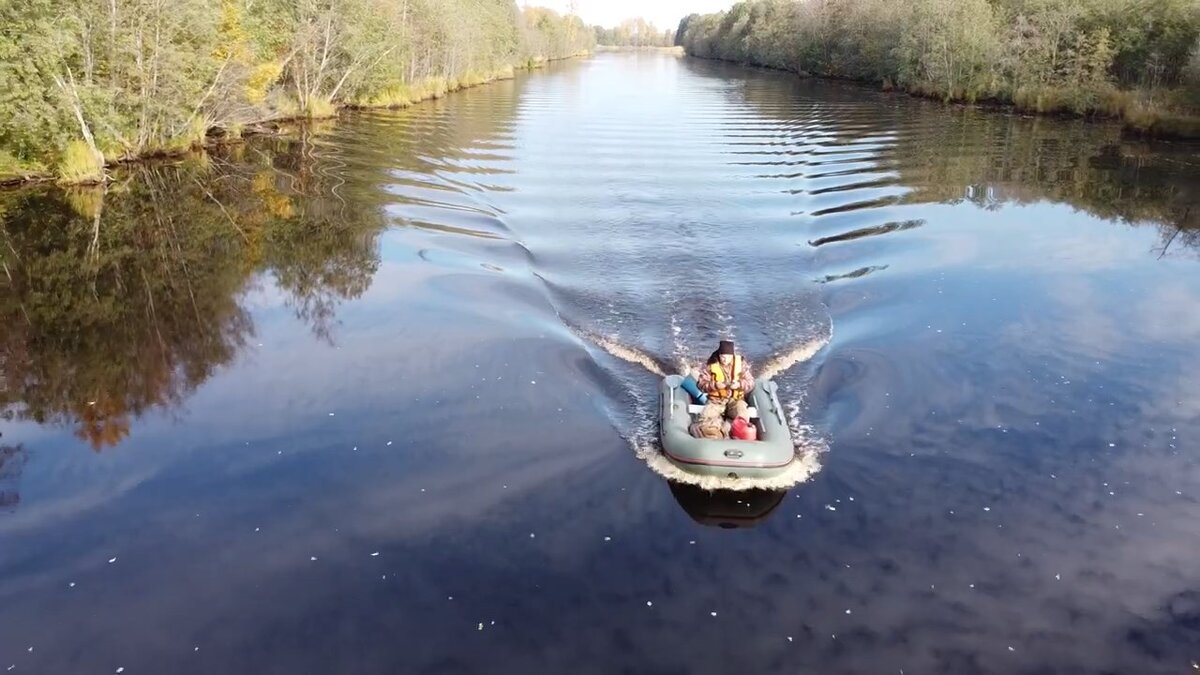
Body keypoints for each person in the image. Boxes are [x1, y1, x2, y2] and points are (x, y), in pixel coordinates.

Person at [695, 340, 755, 435]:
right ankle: (715, 434)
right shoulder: (711, 365)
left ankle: (730, 429)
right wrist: (714, 385)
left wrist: (739, 384)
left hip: (735, 400)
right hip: (716, 401)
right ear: (719, 355)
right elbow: (700, 384)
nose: (725, 359)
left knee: (742, 414)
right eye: (722, 357)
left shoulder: (741, 364)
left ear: (732, 356)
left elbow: (750, 382)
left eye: (728, 357)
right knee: (707, 421)